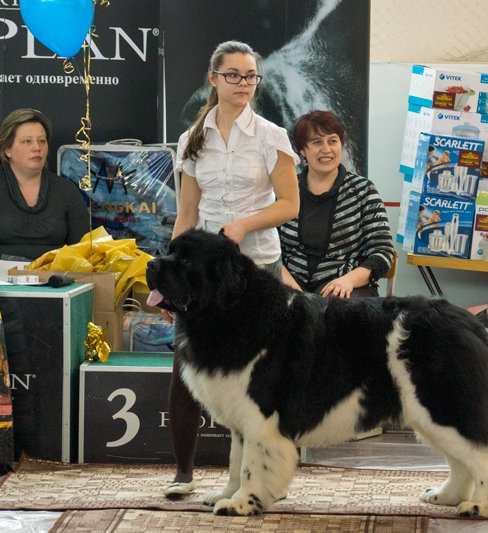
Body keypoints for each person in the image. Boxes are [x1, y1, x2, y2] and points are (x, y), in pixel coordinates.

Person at [163, 40, 300, 497]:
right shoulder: (190, 140)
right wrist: (168, 278)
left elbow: (289, 205)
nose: (244, 84)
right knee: (187, 367)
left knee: (263, 378)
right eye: (234, 75)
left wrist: (243, 225)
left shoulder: (271, 136)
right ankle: (183, 471)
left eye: (250, 76)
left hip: (257, 268)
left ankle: (262, 478)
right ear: (214, 79)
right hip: (202, 275)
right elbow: (186, 215)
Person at [0, 108, 90, 275]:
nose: (37, 148)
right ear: (7, 150)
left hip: (54, 283)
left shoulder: (66, 191)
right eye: (27, 141)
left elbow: (83, 248)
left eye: (42, 141)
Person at [280, 111, 394, 298]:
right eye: (317, 142)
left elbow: (383, 252)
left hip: (346, 289)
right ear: (302, 149)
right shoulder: (285, 190)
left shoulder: (363, 190)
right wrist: (294, 291)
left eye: (333, 141)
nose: (326, 149)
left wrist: (348, 281)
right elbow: (268, 250)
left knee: (338, 312)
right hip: (290, 286)